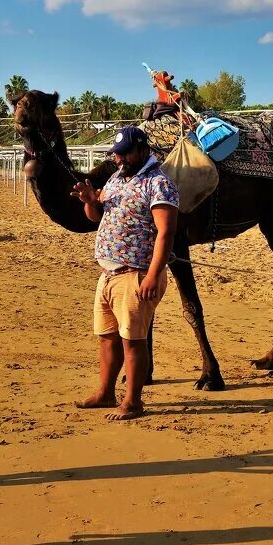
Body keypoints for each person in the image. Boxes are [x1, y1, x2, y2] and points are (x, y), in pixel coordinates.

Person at [71, 126, 179, 421]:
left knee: (133, 340)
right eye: (116, 154)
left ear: (142, 149)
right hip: (107, 272)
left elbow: (166, 233)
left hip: (136, 273)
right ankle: (106, 393)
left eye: (124, 153)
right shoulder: (116, 178)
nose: (118, 158)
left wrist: (153, 274)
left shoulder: (158, 184)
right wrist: (90, 201)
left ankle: (133, 401)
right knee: (107, 337)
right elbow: (96, 218)